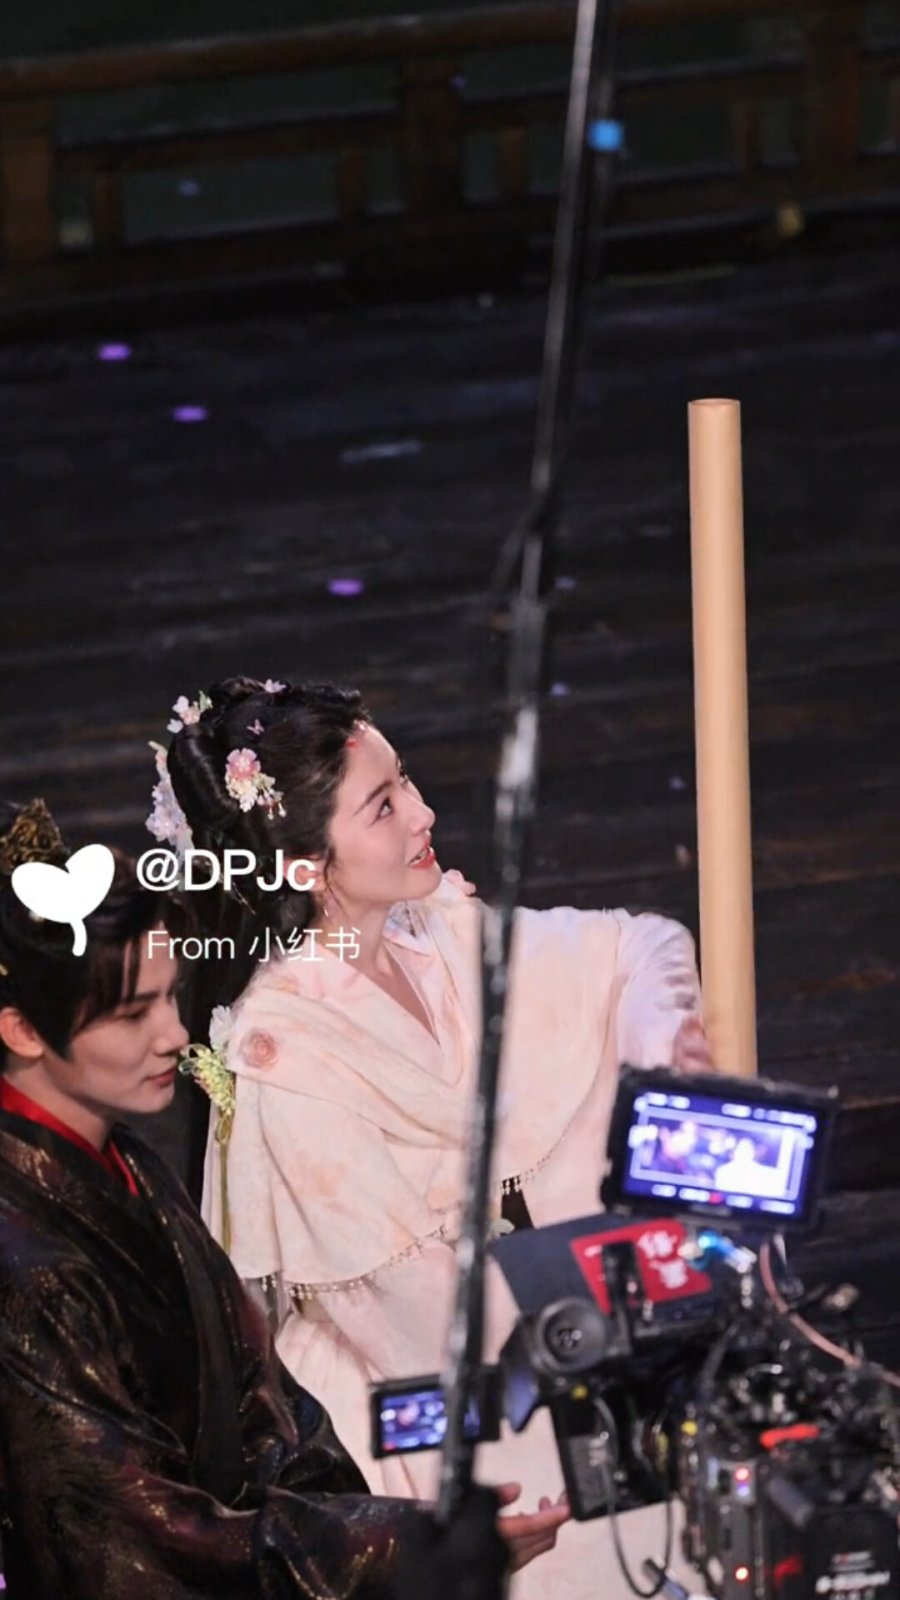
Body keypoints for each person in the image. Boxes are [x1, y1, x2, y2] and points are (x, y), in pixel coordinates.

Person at [162, 676, 711, 1600]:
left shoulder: (431, 931)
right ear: (305, 865)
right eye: (383, 805)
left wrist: (667, 1070)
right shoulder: (284, 1055)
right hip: (430, 1404)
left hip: (548, 1330)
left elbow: (639, 946)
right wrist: (648, 1277)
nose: (423, 813)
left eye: (405, 780)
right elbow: (426, 1320)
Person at [0, 798, 566, 1600]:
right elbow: (127, 1535)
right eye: (132, 1014)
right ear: (23, 1030)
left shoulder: (126, 1164)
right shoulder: (28, 1264)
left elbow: (260, 1394)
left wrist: (387, 1533)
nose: (173, 1035)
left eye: (170, 997)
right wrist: (393, 1550)